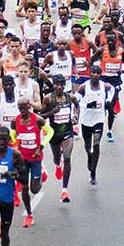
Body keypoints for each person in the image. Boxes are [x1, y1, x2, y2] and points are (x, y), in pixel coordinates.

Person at [42, 74, 78, 203]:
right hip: (54, 134)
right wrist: (52, 112)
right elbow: (41, 116)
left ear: (64, 85)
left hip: (67, 132)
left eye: (61, 84)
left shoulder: (70, 97)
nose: (59, 87)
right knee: (57, 158)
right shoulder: (48, 99)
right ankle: (58, 164)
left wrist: (75, 116)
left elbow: (77, 106)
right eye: (56, 84)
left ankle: (64, 191)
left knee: (67, 159)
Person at [12, 99, 47, 229]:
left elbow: (50, 132)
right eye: (20, 108)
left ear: (29, 106)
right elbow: (13, 137)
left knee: (35, 189)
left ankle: (43, 172)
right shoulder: (15, 121)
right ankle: (29, 214)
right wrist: (14, 146)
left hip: (36, 158)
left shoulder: (37, 119)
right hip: (23, 159)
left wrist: (41, 147)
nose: (22, 110)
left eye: (25, 107)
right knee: (25, 188)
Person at [76, 64, 113, 184]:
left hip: (99, 118)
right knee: (88, 146)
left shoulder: (104, 86)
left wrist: (108, 100)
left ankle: (93, 173)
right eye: (93, 73)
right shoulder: (83, 87)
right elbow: (75, 100)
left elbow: (112, 89)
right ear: (90, 74)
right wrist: (85, 105)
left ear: (100, 75)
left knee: (96, 143)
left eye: (98, 73)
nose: (95, 75)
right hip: (86, 120)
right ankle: (89, 156)